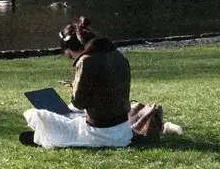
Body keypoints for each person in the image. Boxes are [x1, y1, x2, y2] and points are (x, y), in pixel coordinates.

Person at [21, 16, 135, 148]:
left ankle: (43, 137)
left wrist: (75, 85)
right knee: (71, 113)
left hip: (101, 134)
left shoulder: (86, 60)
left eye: (70, 54)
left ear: (72, 49)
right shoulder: (118, 56)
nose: (71, 58)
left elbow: (79, 103)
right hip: (124, 132)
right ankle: (45, 135)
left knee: (33, 114)